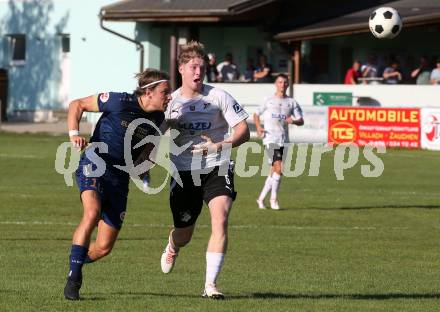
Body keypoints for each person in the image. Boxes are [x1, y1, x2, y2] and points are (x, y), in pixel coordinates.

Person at [63, 69, 171, 300]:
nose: (169, 96)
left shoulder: (158, 119)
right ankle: (73, 279)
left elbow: (147, 154)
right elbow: (77, 104)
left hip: (120, 178)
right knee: (91, 213)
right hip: (95, 161)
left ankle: (76, 260)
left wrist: (145, 165)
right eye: (165, 91)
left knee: (103, 247)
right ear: (148, 92)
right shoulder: (118, 100)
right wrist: (74, 134)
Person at [159, 41, 250, 299]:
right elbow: (154, 135)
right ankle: (173, 245)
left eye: (202, 67)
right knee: (184, 234)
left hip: (217, 166)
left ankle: (210, 286)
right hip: (184, 172)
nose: (198, 72)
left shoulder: (218, 96)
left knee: (220, 220)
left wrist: (221, 145)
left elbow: (244, 131)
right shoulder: (171, 102)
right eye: (193, 67)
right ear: (181, 70)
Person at [254, 74, 304, 210]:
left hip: (284, 139)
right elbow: (256, 114)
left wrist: (293, 121)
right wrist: (258, 127)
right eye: (280, 82)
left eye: (285, 82)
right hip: (270, 138)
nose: (282, 84)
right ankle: (273, 199)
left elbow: (301, 120)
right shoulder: (268, 100)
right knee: (278, 168)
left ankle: (260, 199)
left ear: (288, 85)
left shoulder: (292, 102)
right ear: (276, 84)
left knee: (273, 171)